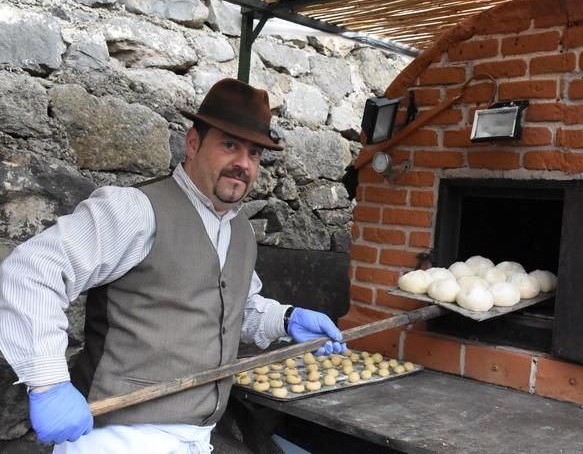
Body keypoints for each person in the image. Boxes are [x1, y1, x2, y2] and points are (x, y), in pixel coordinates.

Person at [0, 78, 346, 453]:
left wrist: (287, 319)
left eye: (254, 154)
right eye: (230, 145)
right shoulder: (136, 210)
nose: (243, 164)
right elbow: (32, 271)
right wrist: (48, 383)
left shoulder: (240, 231)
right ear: (193, 143)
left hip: (197, 440)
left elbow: (235, 309)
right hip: (116, 439)